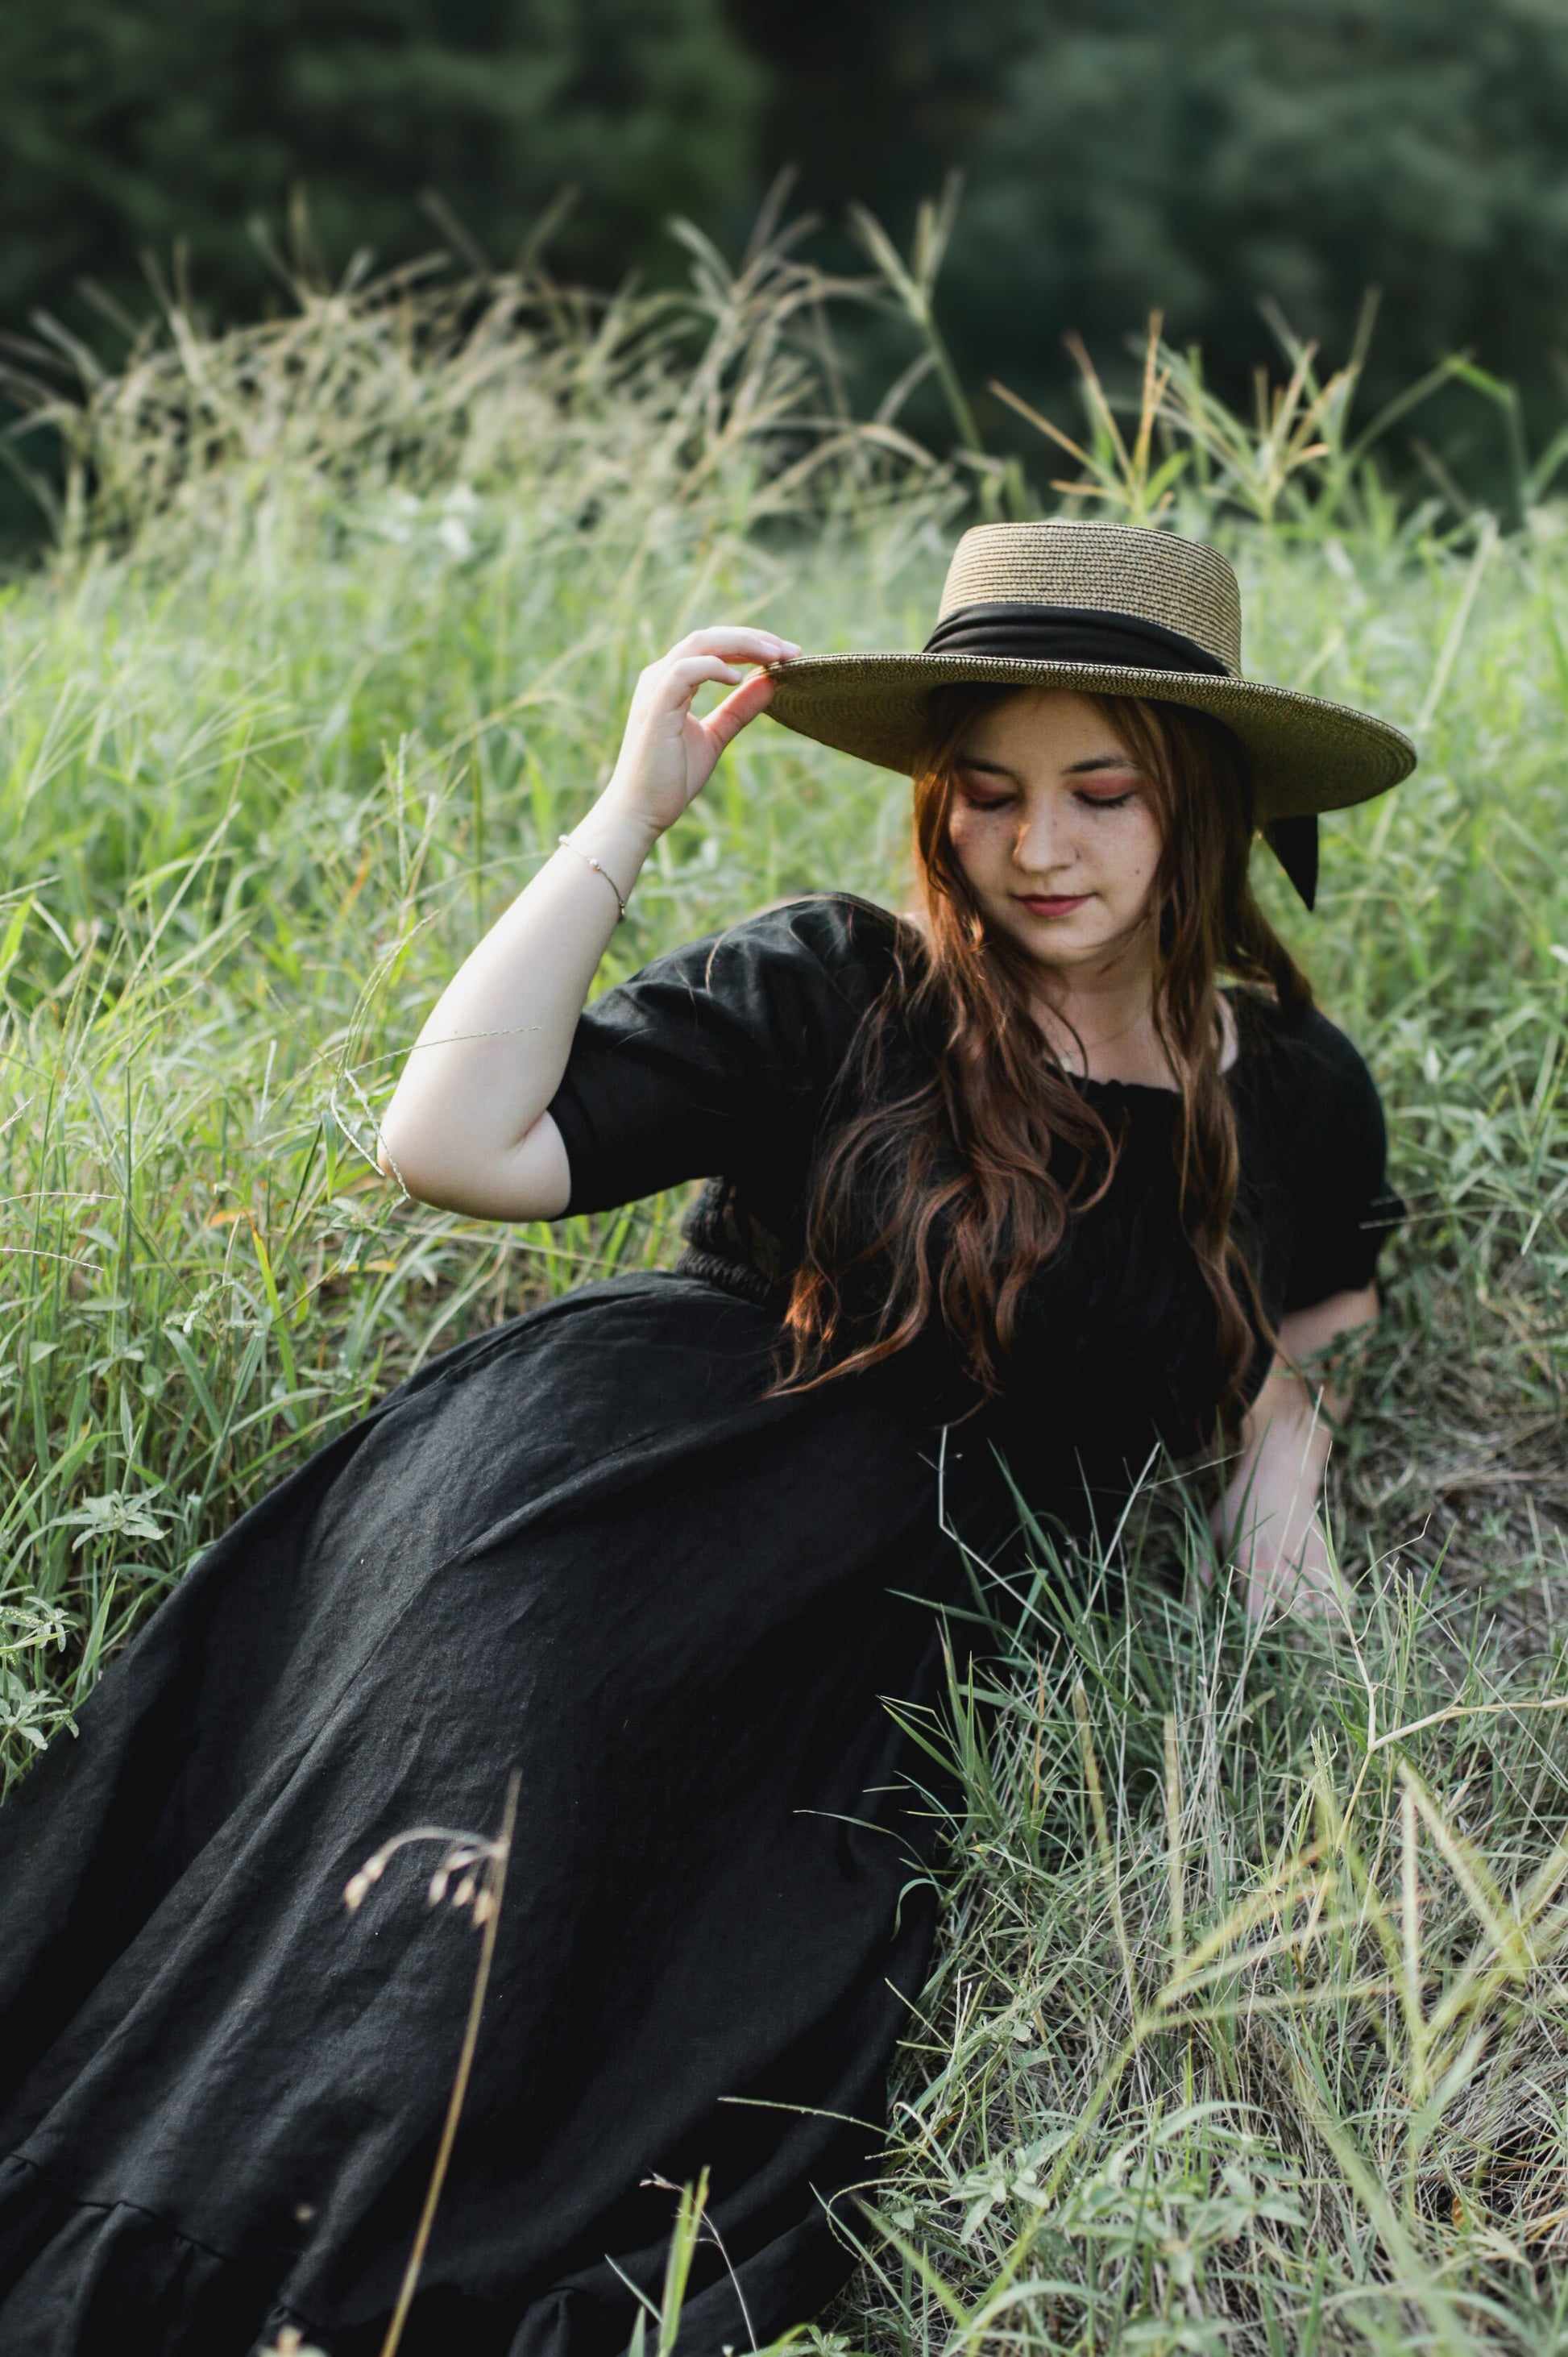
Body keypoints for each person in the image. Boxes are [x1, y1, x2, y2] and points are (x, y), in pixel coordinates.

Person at [0, 521, 1413, 2357]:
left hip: (875, 1621)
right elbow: (455, 1145)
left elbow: (1294, 1362)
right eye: (983, 792)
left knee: (675, 2044)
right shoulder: (847, 988)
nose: (1037, 847)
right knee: (434, 1925)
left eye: (1102, 793)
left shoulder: (1295, 1090)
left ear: (1201, 800)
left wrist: (1297, 1593)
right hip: (607, 1501)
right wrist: (629, 811)